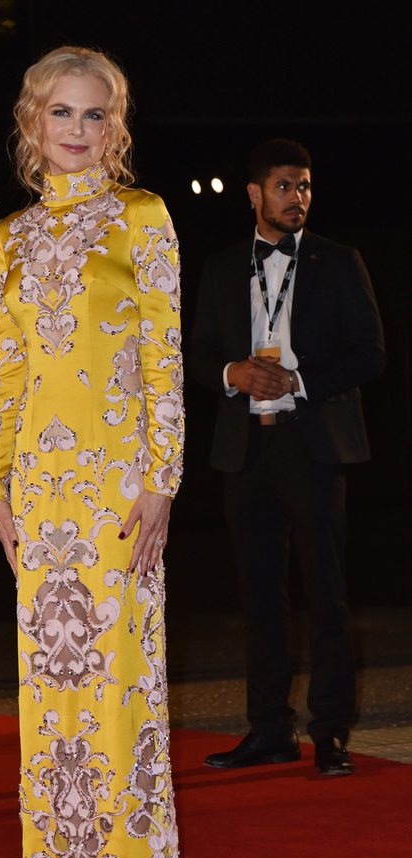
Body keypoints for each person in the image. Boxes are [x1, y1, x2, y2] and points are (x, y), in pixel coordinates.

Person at [0, 47, 184, 858]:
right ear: (32, 125)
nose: (76, 129)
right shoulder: (12, 238)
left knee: (117, 712)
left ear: (117, 124)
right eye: (59, 113)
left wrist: (162, 479)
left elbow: (164, 356)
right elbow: (11, 365)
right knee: (51, 719)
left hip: (115, 499)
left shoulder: (143, 219)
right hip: (42, 501)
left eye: (93, 115)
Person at [191, 138, 385, 776]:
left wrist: (298, 381)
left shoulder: (340, 261)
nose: (297, 197)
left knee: (326, 594)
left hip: (313, 443)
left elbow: (370, 353)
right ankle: (268, 730)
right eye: (284, 186)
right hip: (244, 451)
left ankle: (329, 734)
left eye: (304, 185)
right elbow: (192, 358)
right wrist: (234, 374)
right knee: (260, 599)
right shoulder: (220, 267)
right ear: (254, 194)